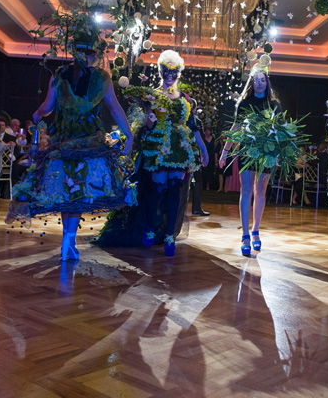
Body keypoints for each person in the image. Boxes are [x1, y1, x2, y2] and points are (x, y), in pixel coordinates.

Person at [7, 13, 135, 261]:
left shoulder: (59, 75)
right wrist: (128, 134)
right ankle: (69, 239)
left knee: (67, 190)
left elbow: (47, 107)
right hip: (89, 142)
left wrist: (36, 114)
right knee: (79, 191)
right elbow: (115, 109)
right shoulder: (102, 78)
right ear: (94, 53)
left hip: (62, 141)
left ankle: (68, 239)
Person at [96, 50, 209, 256]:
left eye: (174, 71)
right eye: (166, 70)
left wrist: (203, 149)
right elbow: (147, 126)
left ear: (179, 73)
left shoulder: (184, 98)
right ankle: (149, 228)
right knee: (156, 190)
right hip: (157, 147)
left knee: (175, 192)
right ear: (160, 71)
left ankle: (169, 236)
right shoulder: (151, 95)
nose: (170, 75)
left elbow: (192, 126)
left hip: (180, 149)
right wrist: (149, 116)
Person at [219, 64, 288, 255]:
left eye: (262, 80)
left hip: (267, 152)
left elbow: (281, 130)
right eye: (256, 80)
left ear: (267, 82)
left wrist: (280, 152)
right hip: (247, 150)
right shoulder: (244, 103)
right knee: (246, 191)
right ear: (251, 82)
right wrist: (225, 151)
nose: (259, 83)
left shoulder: (274, 105)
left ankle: (256, 231)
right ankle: (245, 235)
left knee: (260, 192)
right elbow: (235, 128)